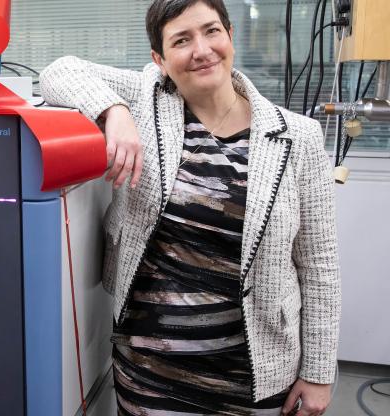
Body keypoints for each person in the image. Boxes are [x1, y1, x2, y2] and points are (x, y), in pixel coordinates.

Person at [39, 1, 340, 415]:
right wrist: (115, 112)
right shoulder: (146, 102)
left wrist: (319, 374)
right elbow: (58, 71)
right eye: (182, 40)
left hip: (253, 375)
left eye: (211, 31)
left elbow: (320, 266)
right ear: (159, 60)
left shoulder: (298, 138)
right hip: (149, 373)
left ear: (230, 36)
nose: (202, 49)